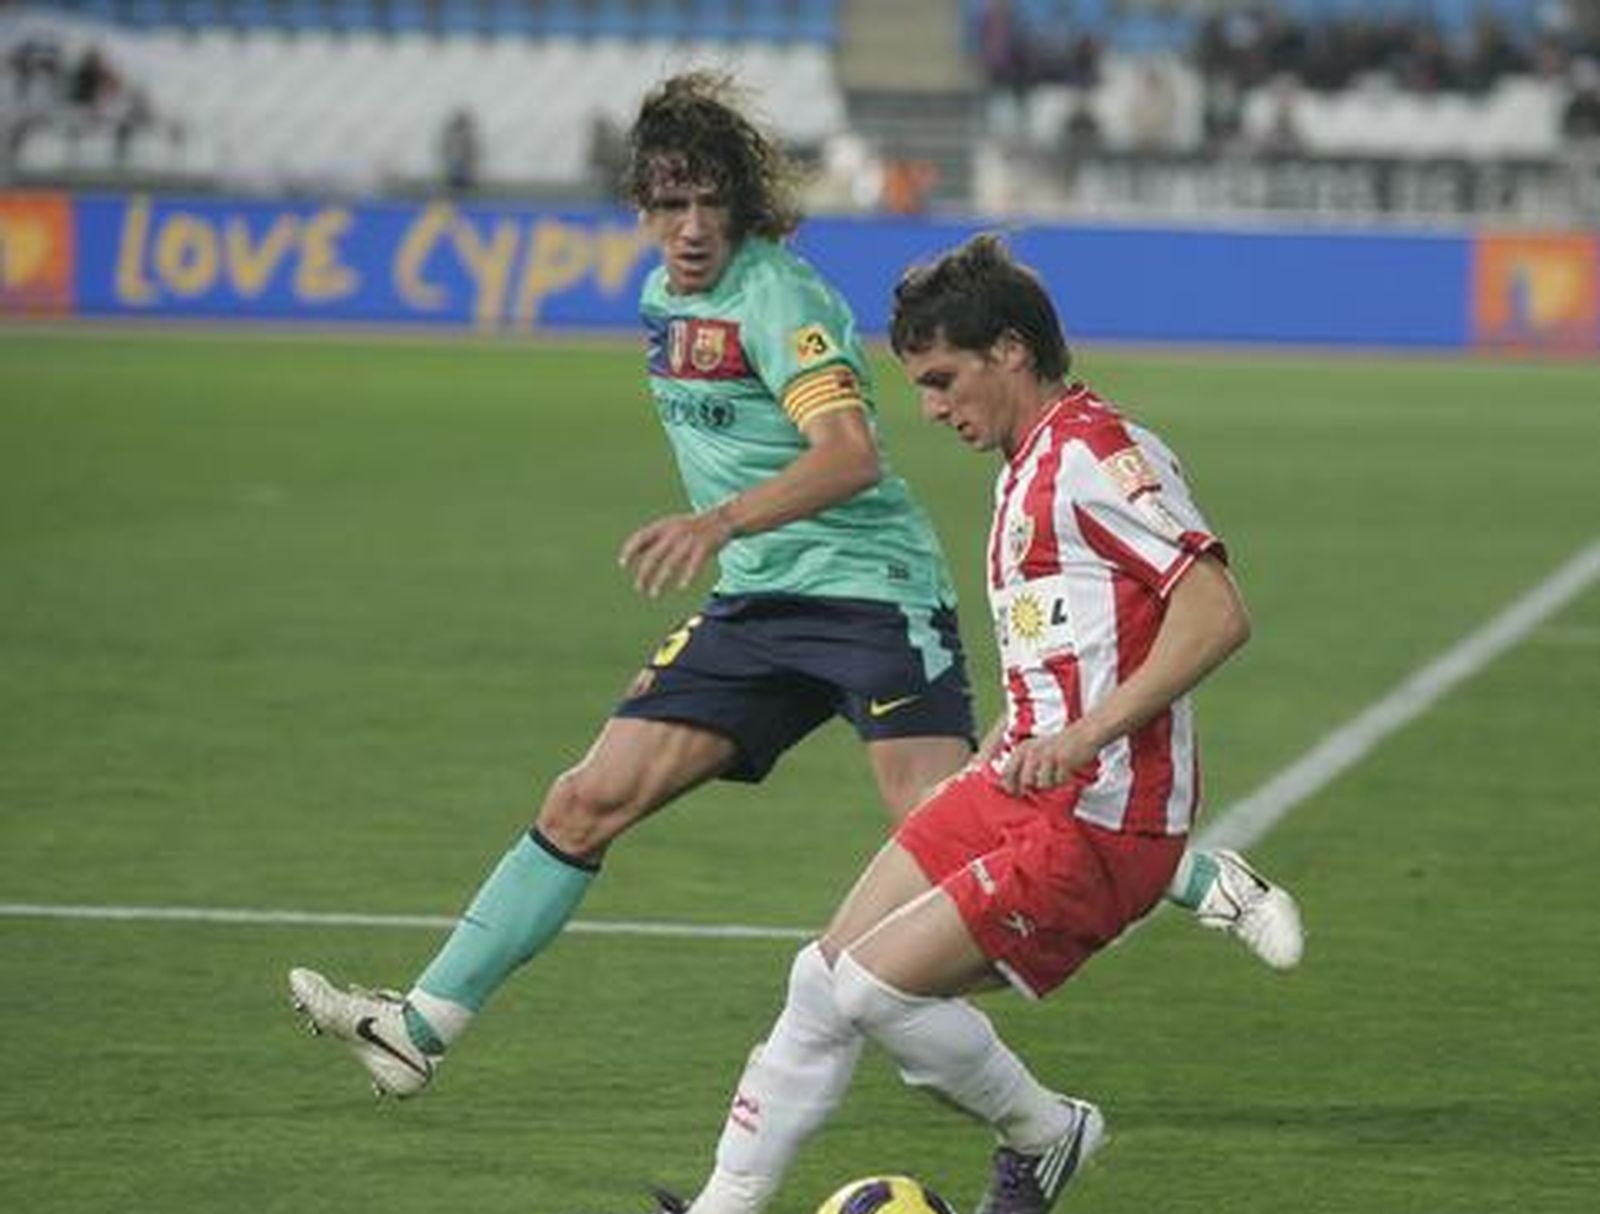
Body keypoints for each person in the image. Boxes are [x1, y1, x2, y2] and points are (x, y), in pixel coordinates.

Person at [288, 76, 1298, 1103]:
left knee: (964, 825)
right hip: (758, 605)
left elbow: (851, 454)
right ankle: (421, 1025)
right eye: (668, 205)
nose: (688, 229)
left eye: (708, 205)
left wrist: (717, 520)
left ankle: (1185, 875)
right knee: (587, 797)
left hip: (872, 596)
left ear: (743, 204)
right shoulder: (661, 299)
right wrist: (732, 546)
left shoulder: (780, 298)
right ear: (639, 206)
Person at [564, 234, 1300, 1214]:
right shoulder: (1026, 466)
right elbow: (1072, 639)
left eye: (943, 380)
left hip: (1103, 823)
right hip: (1017, 788)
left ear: (1009, 350)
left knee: (874, 990)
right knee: (820, 976)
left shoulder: (1097, 455)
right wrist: (1013, 734)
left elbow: (1215, 612)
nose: (933, 407)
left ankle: (1046, 1135)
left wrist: (1087, 735)